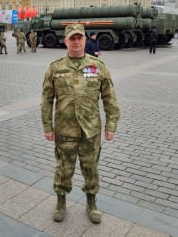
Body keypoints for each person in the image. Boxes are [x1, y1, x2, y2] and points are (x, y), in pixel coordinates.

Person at [41, 23, 120, 224]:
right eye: (72, 39)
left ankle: (91, 202)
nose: (76, 42)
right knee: (63, 169)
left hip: (90, 131)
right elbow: (46, 100)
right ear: (65, 41)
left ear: (85, 40)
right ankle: (61, 201)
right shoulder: (55, 67)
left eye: (79, 38)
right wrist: (47, 127)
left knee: (91, 168)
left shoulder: (97, 67)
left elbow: (109, 98)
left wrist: (111, 125)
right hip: (64, 130)